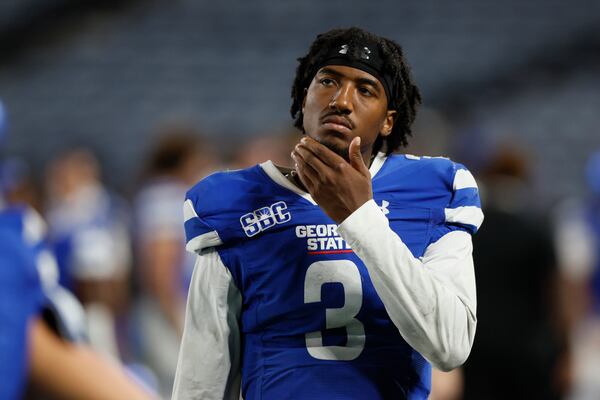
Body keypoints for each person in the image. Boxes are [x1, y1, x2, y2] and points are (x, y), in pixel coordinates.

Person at [173, 27, 483, 399]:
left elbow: (449, 346)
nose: (341, 100)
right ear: (304, 98)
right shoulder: (237, 201)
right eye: (327, 81)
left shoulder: (434, 189)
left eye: (365, 89)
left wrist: (359, 217)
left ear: (388, 120)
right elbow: (202, 381)